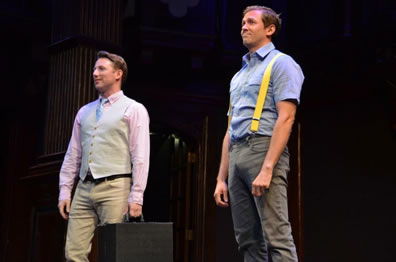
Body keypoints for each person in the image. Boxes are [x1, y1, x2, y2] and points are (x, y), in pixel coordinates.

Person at [213, 5, 304, 262]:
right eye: (242, 22)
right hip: (237, 154)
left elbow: (286, 118)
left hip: (263, 149)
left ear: (270, 29)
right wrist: (221, 177)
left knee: (276, 236)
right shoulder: (238, 75)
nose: (244, 26)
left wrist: (268, 167)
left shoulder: (282, 63)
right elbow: (229, 130)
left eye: (251, 22)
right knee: (247, 240)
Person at [57, 51, 150, 261]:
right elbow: (73, 154)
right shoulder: (84, 112)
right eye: (94, 69)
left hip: (115, 187)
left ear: (118, 74)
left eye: (101, 69)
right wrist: (65, 190)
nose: (95, 73)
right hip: (83, 188)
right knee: (73, 253)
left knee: (114, 252)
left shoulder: (133, 109)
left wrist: (137, 196)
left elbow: (141, 156)